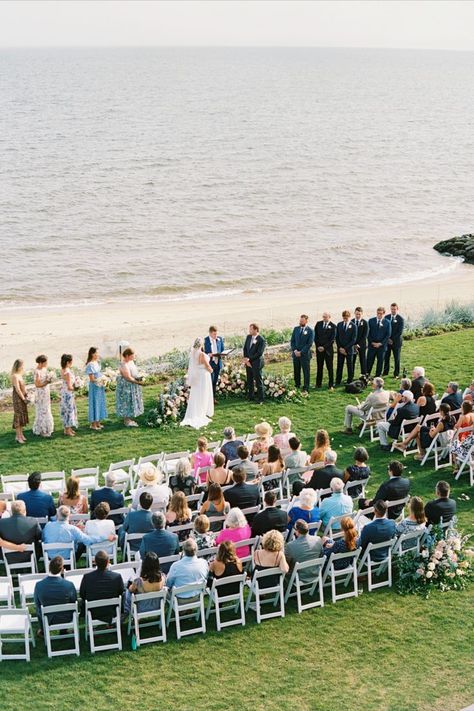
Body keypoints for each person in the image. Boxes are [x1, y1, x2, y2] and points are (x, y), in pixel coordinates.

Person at [43, 505, 115, 561]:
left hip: (50, 557)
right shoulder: (73, 529)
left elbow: (43, 539)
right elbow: (88, 540)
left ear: (57, 515)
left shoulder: (48, 525)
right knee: (81, 544)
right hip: (68, 558)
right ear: (69, 516)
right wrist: (106, 537)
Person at [34, 556, 77, 636]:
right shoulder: (69, 585)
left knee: (38, 608)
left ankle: (43, 631)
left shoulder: (39, 585)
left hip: (47, 619)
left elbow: (37, 604)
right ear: (62, 569)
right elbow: (74, 601)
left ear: (49, 568)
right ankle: (64, 630)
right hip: (66, 618)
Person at [79, 550, 124, 622]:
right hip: (111, 610)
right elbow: (121, 592)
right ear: (108, 561)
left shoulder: (87, 577)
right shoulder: (116, 577)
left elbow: (82, 594)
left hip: (92, 611)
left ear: (95, 562)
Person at [181, 337, 214, 428]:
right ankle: (201, 412)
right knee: (204, 393)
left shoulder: (193, 353)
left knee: (197, 394)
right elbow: (207, 366)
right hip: (203, 376)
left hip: (197, 376)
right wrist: (211, 370)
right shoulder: (202, 354)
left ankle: (197, 411)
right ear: (201, 344)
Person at [124, 551, 164, 616]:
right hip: (157, 606)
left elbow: (131, 590)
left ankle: (126, 612)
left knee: (127, 591)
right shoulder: (162, 578)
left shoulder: (138, 581)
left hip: (140, 608)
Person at [115, 347, 144, 427]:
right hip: (126, 386)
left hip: (132, 384)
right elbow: (127, 377)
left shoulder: (130, 362)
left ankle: (129, 418)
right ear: (127, 356)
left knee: (131, 401)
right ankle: (126, 420)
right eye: (132, 355)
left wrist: (139, 377)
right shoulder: (123, 364)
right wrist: (138, 382)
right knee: (126, 401)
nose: (134, 357)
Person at [85, 346, 107, 431]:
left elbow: (99, 373)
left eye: (98, 352)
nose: (98, 354)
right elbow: (92, 379)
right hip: (94, 386)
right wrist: (100, 380)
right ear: (92, 354)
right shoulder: (90, 364)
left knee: (100, 403)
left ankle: (98, 422)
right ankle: (93, 424)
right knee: (95, 403)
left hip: (100, 386)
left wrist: (104, 378)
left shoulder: (96, 362)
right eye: (96, 353)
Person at [243, 323, 266, 403]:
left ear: (256, 330)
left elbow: (259, 353)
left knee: (258, 380)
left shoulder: (261, 340)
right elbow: (245, 348)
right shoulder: (248, 337)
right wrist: (246, 359)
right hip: (248, 362)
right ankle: (251, 396)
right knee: (249, 380)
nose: (249, 330)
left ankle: (261, 398)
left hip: (257, 362)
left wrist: (249, 359)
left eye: (251, 329)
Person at [290, 314, 314, 392]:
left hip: (305, 355)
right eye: (300, 321)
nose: (301, 322)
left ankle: (306, 387)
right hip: (295, 354)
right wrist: (295, 350)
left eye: (302, 321)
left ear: (306, 321)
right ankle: (297, 385)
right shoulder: (296, 329)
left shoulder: (310, 331)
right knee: (296, 370)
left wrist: (301, 352)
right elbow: (292, 341)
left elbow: (309, 344)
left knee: (306, 371)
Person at [366, 307, 391, 378]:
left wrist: (381, 343)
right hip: (372, 345)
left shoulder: (387, 322)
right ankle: (367, 375)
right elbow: (368, 333)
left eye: (381, 314)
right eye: (378, 313)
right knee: (369, 361)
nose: (379, 315)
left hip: (382, 346)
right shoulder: (371, 321)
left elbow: (388, 334)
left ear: (384, 314)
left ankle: (377, 376)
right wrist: (372, 342)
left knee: (380, 362)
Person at [32, 354, 54, 438]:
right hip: (40, 393)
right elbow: (37, 384)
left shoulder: (44, 369)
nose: (47, 363)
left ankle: (48, 427)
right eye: (46, 362)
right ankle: (42, 429)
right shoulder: (37, 371)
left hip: (46, 392)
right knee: (42, 410)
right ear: (41, 362)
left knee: (47, 409)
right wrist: (47, 382)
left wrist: (49, 379)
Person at [314, 312, 336, 390]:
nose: (324, 318)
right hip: (319, 350)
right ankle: (318, 384)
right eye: (323, 317)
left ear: (329, 317)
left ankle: (331, 384)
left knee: (329, 367)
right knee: (319, 367)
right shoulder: (318, 324)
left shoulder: (333, 326)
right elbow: (315, 336)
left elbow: (332, 340)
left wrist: (324, 347)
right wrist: (318, 347)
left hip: (328, 351)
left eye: (326, 317)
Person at [335, 309, 357, 385]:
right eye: (344, 317)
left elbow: (353, 339)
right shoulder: (339, 325)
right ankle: (338, 381)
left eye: (347, 317)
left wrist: (345, 349)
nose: (345, 319)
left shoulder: (354, 326)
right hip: (340, 349)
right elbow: (337, 337)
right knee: (339, 365)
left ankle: (350, 381)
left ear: (349, 317)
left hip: (349, 349)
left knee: (350, 366)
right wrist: (340, 348)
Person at [383, 303, 405, 378]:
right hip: (387, 342)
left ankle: (396, 373)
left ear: (397, 309)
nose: (393, 310)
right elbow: (384, 329)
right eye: (392, 309)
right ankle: (385, 372)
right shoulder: (386, 317)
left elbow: (400, 332)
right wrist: (388, 339)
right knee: (386, 357)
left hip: (396, 342)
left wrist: (392, 339)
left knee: (397, 358)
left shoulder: (400, 319)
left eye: (394, 309)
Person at [451, 401, 474, 471]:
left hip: (463, 438)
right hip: (470, 437)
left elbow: (456, 427)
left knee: (453, 443)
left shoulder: (463, 417)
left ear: (464, 408)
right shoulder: (473, 414)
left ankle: (456, 466)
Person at [204, 325, 225, 399]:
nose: (215, 336)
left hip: (218, 363)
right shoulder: (206, 340)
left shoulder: (220, 339)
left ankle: (214, 398)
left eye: (216, 334)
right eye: (214, 334)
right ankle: (209, 398)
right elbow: (204, 353)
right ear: (210, 333)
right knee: (211, 381)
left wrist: (223, 354)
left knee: (215, 381)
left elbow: (222, 349)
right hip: (210, 363)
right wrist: (209, 354)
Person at [59, 353, 78, 437]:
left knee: (66, 410)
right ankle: (67, 430)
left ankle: (68, 428)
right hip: (68, 394)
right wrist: (77, 387)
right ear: (68, 362)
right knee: (69, 411)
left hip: (64, 393)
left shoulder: (63, 370)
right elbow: (70, 386)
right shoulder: (67, 372)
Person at [11, 359, 28, 444]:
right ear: (18, 366)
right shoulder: (14, 376)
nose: (23, 367)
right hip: (18, 398)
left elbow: (23, 387)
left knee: (22, 416)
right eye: (22, 365)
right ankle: (18, 436)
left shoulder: (20, 375)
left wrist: (27, 394)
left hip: (22, 397)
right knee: (18, 416)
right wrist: (23, 399)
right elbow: (17, 389)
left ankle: (21, 434)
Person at [351, 307, 368, 377]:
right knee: (352, 361)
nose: (358, 316)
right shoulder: (351, 322)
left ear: (362, 314)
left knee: (363, 360)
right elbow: (350, 335)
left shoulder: (365, 323)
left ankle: (363, 375)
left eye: (359, 314)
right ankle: (351, 375)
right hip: (352, 345)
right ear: (354, 313)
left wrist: (358, 344)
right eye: (356, 314)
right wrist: (354, 344)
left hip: (362, 345)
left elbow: (365, 335)